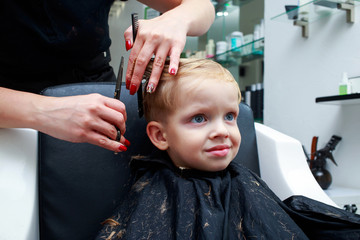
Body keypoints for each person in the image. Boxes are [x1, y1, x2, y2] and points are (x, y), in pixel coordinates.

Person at [96, 58, 360, 240]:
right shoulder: (157, 193)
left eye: (230, 116)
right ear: (160, 135)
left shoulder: (245, 180)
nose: (222, 130)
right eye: (199, 118)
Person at [0, 0, 215, 153]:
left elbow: (202, 6)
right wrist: (43, 111)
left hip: (101, 95)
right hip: (10, 119)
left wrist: (177, 18)